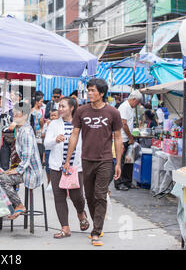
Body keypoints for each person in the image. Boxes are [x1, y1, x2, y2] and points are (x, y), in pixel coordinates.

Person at [64, 78, 123, 247]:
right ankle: (97, 223)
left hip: (105, 160)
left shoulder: (113, 112)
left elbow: (118, 138)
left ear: (102, 93)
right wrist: (68, 159)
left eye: (92, 91)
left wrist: (118, 162)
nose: (89, 93)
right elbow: (74, 135)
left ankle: (96, 231)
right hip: (86, 159)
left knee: (100, 194)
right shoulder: (82, 111)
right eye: (88, 90)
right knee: (89, 196)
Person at [44, 97, 90, 239]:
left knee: (77, 195)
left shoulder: (80, 124)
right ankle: (65, 228)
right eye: (59, 106)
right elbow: (46, 144)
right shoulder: (54, 124)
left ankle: (81, 213)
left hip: (76, 166)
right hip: (57, 166)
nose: (60, 109)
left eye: (63, 106)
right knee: (59, 196)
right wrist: (54, 140)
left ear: (71, 108)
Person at [0, 100, 43, 220]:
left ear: (25, 115)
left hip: (30, 171)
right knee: (0, 174)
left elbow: (27, 156)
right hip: (23, 168)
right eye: (14, 113)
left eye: (17, 114)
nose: (14, 116)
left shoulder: (26, 132)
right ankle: (11, 206)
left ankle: (18, 205)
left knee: (1, 179)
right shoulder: (21, 128)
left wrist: (18, 170)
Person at [115, 90, 143, 191]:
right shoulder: (124, 107)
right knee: (121, 161)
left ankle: (127, 181)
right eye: (138, 102)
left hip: (128, 138)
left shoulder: (130, 107)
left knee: (129, 161)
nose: (138, 104)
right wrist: (130, 137)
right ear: (134, 99)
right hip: (122, 139)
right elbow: (124, 124)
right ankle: (119, 182)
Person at [44, 109, 59, 190]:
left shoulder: (60, 125)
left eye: (55, 115)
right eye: (51, 115)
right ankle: (49, 182)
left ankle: (55, 184)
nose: (53, 117)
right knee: (47, 167)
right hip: (48, 148)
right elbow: (43, 136)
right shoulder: (47, 124)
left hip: (56, 148)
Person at [30, 94, 45, 165]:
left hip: (38, 132)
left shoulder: (41, 111)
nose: (42, 103)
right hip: (33, 131)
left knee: (39, 147)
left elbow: (42, 124)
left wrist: (41, 131)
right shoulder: (32, 111)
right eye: (41, 101)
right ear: (36, 102)